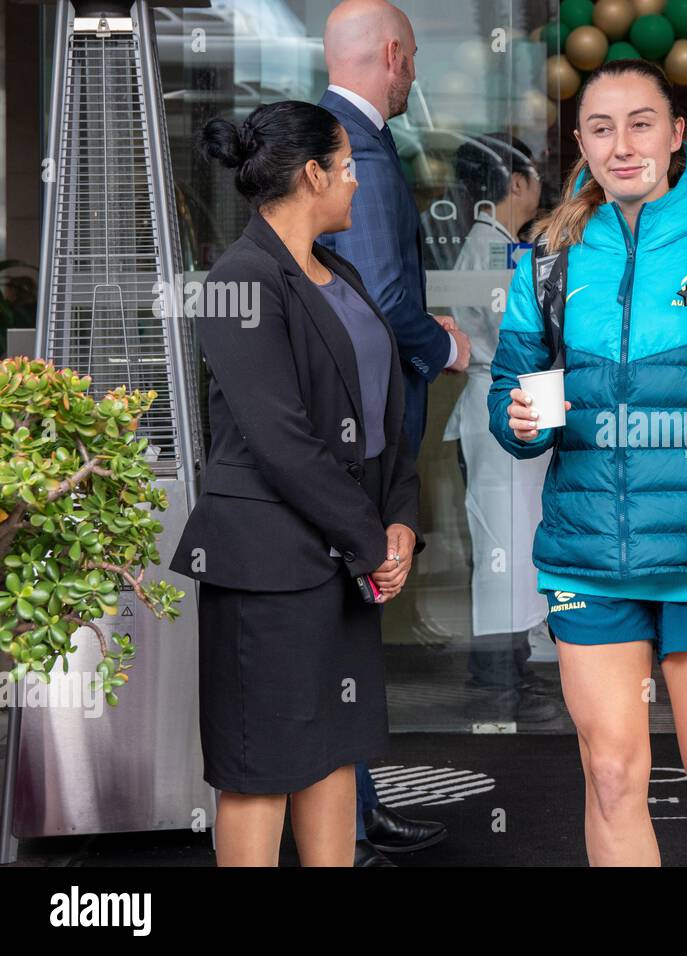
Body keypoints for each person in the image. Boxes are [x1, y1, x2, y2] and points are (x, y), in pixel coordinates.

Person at [488, 58, 687, 866]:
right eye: (601, 127)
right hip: (587, 556)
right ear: (581, 143)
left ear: (675, 135)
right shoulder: (547, 260)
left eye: (640, 124)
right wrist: (520, 420)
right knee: (615, 775)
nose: (621, 144)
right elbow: (513, 397)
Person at [171, 100, 422, 866]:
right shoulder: (236, 281)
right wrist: (369, 539)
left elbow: (379, 407)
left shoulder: (335, 268)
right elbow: (283, 442)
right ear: (313, 174)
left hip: (342, 564)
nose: (355, 182)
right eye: (348, 167)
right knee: (261, 772)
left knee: (332, 753)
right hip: (271, 569)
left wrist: (402, 518)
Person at [316, 0, 464, 867]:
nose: (415, 78)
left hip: (350, 420)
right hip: (361, 428)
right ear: (395, 52)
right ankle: (347, 824)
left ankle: (360, 811)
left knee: (351, 621)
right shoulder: (357, 148)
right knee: (344, 618)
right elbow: (380, 298)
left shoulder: (332, 134)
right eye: (411, 63)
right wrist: (443, 342)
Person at [441, 134, 562, 722]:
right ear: (515, 183)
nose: (539, 186)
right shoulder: (493, 250)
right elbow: (521, 331)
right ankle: (497, 678)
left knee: (512, 543)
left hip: (505, 402)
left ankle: (509, 668)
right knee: (502, 545)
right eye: (534, 175)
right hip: (500, 400)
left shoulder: (499, 244)